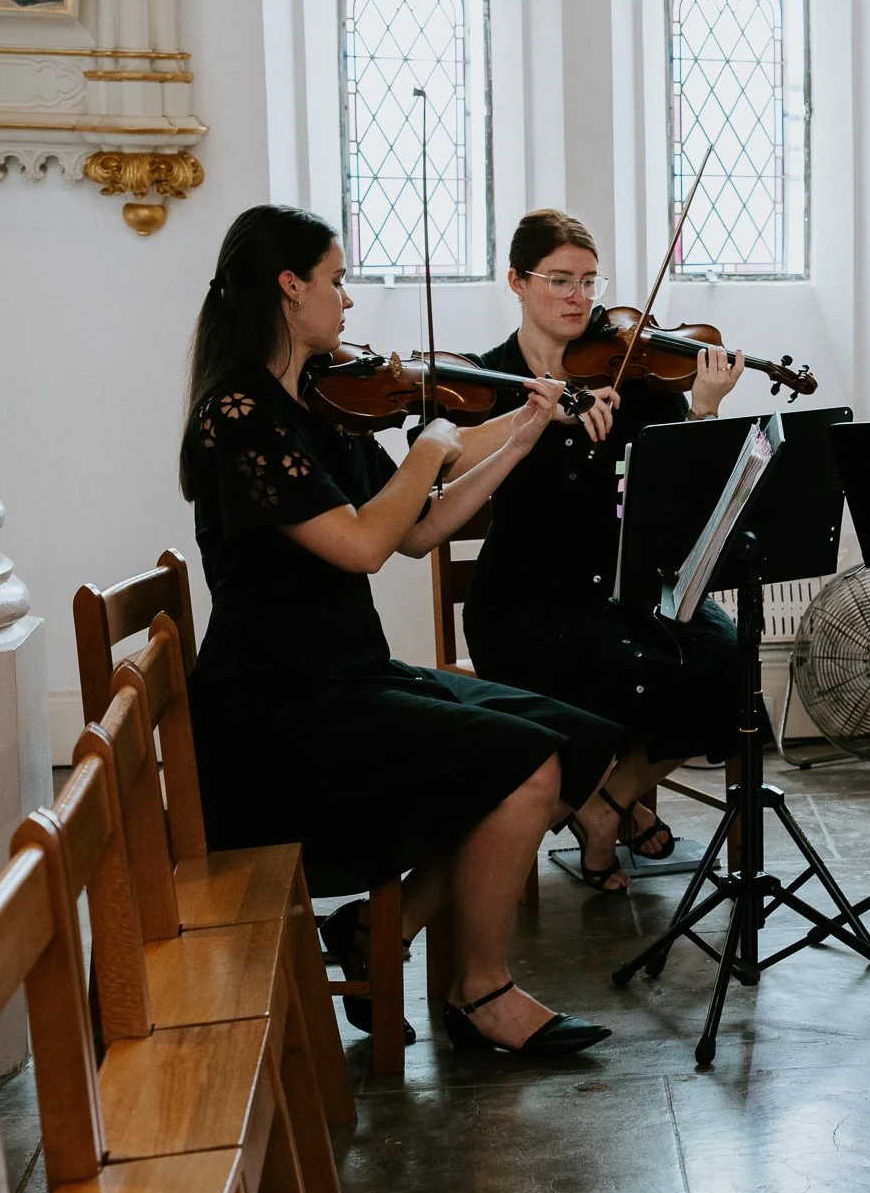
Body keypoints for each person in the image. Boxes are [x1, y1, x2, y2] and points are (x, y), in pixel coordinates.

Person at [181, 203, 623, 1059]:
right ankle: (481, 990)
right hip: (275, 708)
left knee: (575, 742)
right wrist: (429, 445)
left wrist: (523, 434)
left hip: (350, 672)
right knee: (526, 764)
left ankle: (379, 931)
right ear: (289, 287)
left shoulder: (319, 401)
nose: (348, 300)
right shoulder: (238, 415)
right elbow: (360, 545)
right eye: (337, 279)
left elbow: (418, 527)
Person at [452, 209, 745, 891]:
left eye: (589, 281)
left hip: (623, 590)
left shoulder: (630, 372)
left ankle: (608, 800)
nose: (579, 297)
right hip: (526, 600)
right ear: (517, 282)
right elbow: (437, 460)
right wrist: (531, 415)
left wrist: (703, 408)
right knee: (612, 674)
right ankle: (614, 803)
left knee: (727, 659)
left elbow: (678, 486)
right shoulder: (489, 378)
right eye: (560, 280)